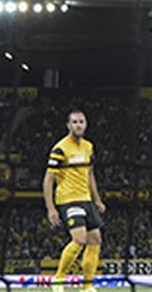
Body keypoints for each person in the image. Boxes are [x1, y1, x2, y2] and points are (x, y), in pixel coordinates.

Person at [43, 109, 106, 292]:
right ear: (68, 125)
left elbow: (90, 174)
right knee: (79, 238)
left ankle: (87, 286)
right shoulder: (60, 148)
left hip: (85, 198)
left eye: (81, 122)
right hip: (68, 199)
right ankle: (58, 279)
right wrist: (51, 208)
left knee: (95, 240)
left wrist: (97, 200)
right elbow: (48, 179)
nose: (78, 125)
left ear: (86, 125)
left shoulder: (88, 147)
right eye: (75, 122)